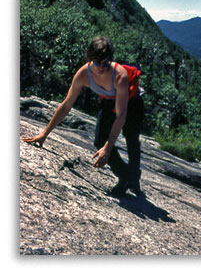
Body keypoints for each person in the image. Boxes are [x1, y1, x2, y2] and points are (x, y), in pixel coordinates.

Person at [23, 36, 145, 197]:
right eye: (96, 62)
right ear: (89, 59)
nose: (101, 67)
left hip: (132, 103)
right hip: (109, 102)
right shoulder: (83, 74)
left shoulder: (119, 75)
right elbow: (66, 105)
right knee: (99, 140)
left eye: (105, 63)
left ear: (111, 60)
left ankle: (134, 180)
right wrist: (44, 133)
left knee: (131, 140)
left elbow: (121, 116)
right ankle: (126, 175)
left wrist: (108, 150)